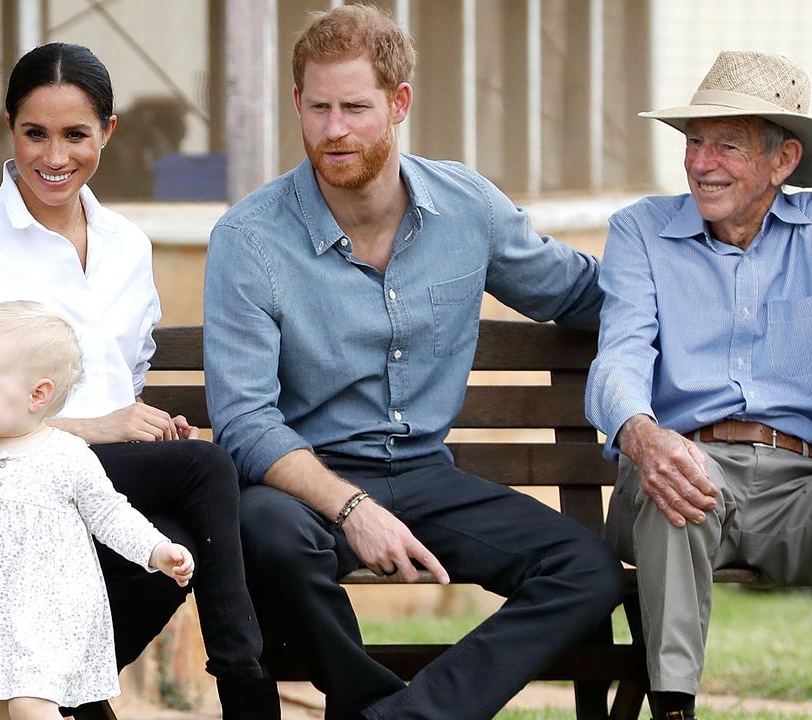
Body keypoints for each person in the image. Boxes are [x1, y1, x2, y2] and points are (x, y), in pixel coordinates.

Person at [202, 5, 626, 720]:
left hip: (428, 478)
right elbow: (244, 421)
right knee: (262, 530)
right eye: (319, 107)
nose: (335, 129)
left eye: (356, 108)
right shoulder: (249, 239)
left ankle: (409, 716)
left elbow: (578, 291)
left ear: (398, 104)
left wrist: (687, 268)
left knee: (587, 572)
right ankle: (375, 703)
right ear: (298, 104)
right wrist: (352, 506)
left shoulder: (466, 208)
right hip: (308, 486)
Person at [0, 42, 279, 718]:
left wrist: (146, 428)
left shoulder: (128, 244)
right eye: (34, 133)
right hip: (2, 481)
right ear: (9, 126)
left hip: (92, 479)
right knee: (207, 471)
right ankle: (244, 680)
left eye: (76, 134)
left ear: (108, 132)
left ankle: (53, 695)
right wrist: (103, 428)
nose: (54, 156)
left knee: (169, 545)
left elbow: (117, 385)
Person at [586, 50, 812, 720]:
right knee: (679, 481)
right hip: (687, 469)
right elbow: (618, 358)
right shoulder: (640, 231)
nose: (701, 163)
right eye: (694, 143)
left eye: (726, 145)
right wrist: (641, 434)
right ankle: (674, 709)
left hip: (803, 489)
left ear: (783, 161)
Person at [0, 302, 195, 720]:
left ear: (37, 395)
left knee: (29, 705)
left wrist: (156, 550)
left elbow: (110, 514)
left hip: (47, 613)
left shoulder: (66, 455)